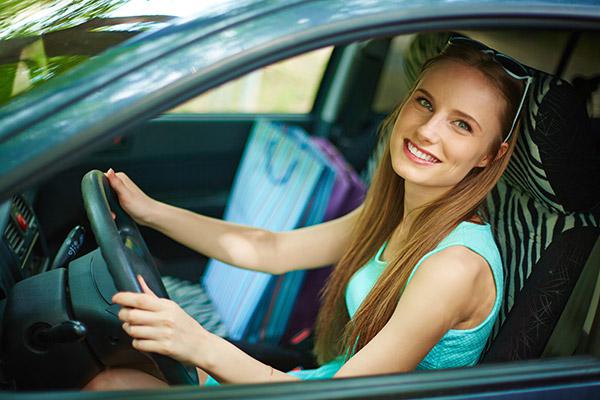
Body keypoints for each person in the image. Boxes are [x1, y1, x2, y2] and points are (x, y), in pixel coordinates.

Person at [84, 35, 531, 390]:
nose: (428, 130)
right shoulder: (395, 214)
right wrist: (151, 212)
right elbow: (270, 249)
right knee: (115, 365)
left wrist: (199, 343)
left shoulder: (454, 267)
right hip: (316, 382)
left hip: (326, 393)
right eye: (425, 102)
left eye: (461, 125)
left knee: (112, 384)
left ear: (490, 155)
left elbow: (339, 396)